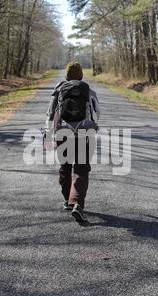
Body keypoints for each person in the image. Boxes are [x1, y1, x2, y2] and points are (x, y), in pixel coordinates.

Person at [45, 62, 100, 224]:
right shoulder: (88, 90)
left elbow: (50, 114)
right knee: (82, 169)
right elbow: (97, 112)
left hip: (63, 132)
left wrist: (48, 134)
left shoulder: (59, 90)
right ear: (81, 75)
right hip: (85, 132)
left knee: (65, 167)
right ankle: (77, 203)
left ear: (66, 76)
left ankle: (68, 200)